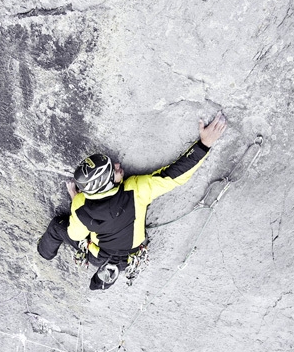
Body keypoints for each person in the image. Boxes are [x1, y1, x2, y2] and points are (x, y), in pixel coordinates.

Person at [37, 111, 227, 290]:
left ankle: (45, 254)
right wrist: (204, 145)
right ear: (107, 184)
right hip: (129, 254)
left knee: (57, 227)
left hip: (100, 255)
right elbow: (174, 176)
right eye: (115, 169)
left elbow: (77, 235)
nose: (118, 165)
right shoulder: (135, 190)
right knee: (106, 249)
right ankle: (109, 272)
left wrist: (75, 201)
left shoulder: (81, 206)